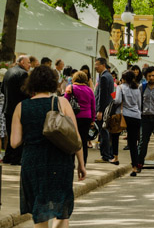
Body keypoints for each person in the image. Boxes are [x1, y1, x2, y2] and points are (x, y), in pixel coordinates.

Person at [11, 65, 87, 226]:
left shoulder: (21, 107)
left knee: (41, 211)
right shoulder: (61, 103)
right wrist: (81, 164)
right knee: (61, 211)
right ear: (53, 82)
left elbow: (14, 142)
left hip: (33, 163)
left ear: (31, 83)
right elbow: (76, 137)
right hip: (60, 161)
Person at [3, 55, 30, 164]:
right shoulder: (23, 74)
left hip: (7, 108)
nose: (29, 65)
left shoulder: (8, 72)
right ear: (22, 62)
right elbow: (25, 92)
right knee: (19, 134)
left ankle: (8, 157)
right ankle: (16, 158)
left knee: (10, 134)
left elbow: (2, 90)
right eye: (28, 63)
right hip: (18, 109)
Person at [64, 71, 96, 166]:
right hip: (86, 117)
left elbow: (65, 101)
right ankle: (83, 163)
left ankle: (72, 162)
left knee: (73, 140)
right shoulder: (90, 90)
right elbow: (93, 106)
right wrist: (93, 120)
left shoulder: (72, 88)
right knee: (83, 141)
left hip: (74, 117)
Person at [114, 70, 142, 177]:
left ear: (123, 78)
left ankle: (115, 156)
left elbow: (117, 101)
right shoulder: (137, 89)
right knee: (133, 143)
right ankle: (135, 167)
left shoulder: (120, 87)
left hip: (125, 116)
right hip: (136, 116)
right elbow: (139, 104)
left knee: (115, 134)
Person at [94, 58, 118, 165]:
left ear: (103, 65)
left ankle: (105, 155)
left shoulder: (104, 77)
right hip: (108, 108)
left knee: (103, 132)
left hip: (104, 109)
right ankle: (107, 154)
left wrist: (100, 110)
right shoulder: (108, 76)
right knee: (105, 132)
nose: (95, 67)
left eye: (97, 65)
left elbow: (103, 96)